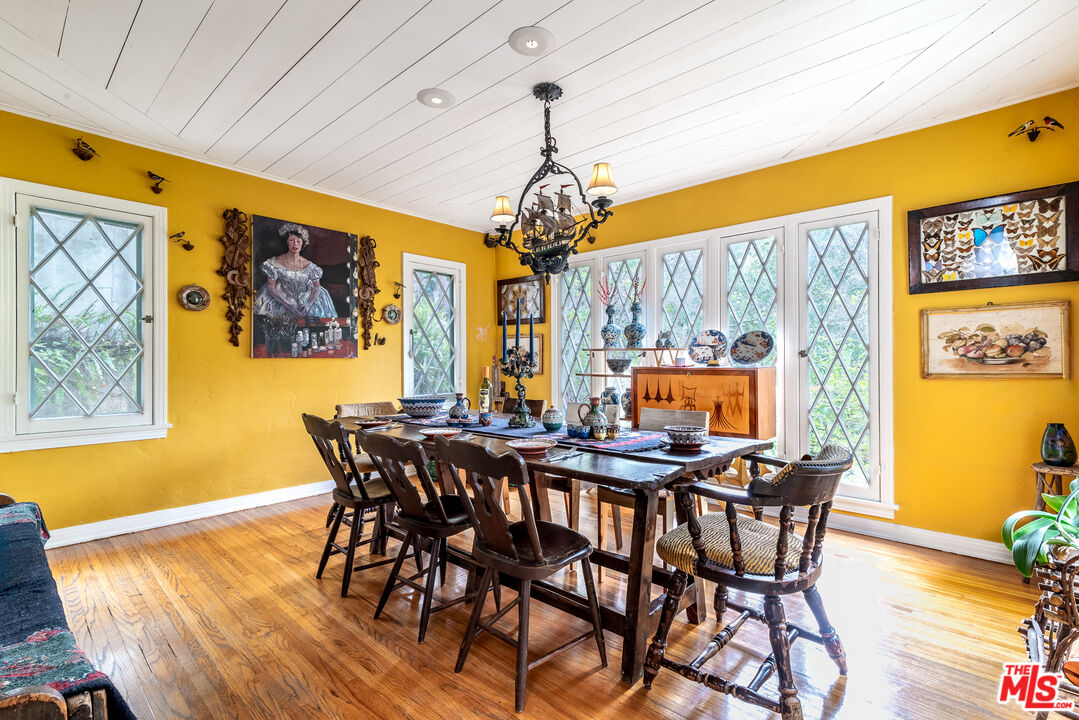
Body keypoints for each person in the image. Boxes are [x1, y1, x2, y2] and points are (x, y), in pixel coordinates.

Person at [253, 223, 337, 319]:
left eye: (298, 241)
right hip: (282, 300)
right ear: (286, 242)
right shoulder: (274, 263)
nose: (295, 244)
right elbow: (271, 286)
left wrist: (309, 304)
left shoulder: (311, 267)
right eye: (291, 240)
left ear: (302, 243)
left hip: (306, 300)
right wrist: (289, 305)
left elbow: (316, 287)